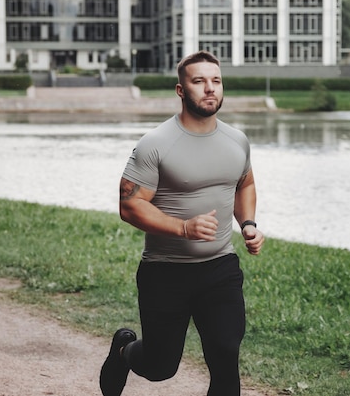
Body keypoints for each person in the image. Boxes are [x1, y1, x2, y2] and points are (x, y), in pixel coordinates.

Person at [99, 50, 265, 396]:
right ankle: (124, 351)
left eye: (216, 81)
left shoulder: (237, 141)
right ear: (180, 90)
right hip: (165, 272)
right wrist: (183, 228)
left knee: (225, 353)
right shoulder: (156, 145)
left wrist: (247, 223)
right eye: (199, 81)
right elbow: (129, 206)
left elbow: (244, 184)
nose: (210, 88)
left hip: (220, 268)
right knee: (160, 366)